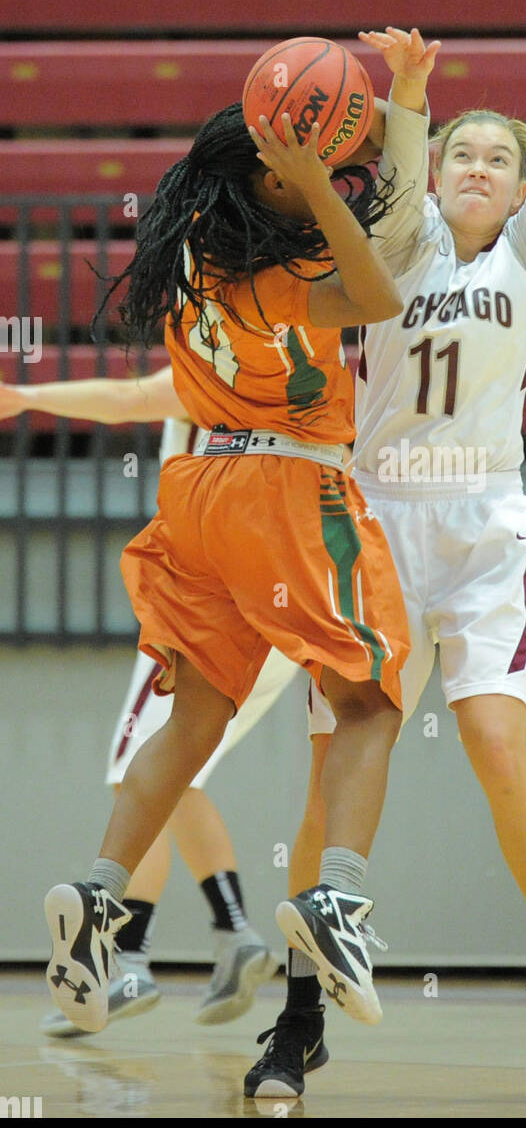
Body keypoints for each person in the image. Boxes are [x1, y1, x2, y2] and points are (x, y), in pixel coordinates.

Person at [245, 0, 526, 1101]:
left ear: (517, 191)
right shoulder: (395, 256)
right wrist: (410, 94)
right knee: (334, 763)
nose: (478, 169)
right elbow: (396, 185)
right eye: (462, 151)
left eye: (497, 160)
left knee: (498, 742)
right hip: (373, 521)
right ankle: (299, 1015)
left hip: (484, 526)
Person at [43, 96, 412, 1038]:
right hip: (286, 487)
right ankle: (339, 899)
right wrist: (324, 186)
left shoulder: (194, 253)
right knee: (368, 699)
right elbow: (377, 298)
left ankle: (100, 896)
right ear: (274, 176)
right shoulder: (285, 264)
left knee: (193, 715)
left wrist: (309, 166)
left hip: (196, 488)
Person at [0, 367, 303, 1032]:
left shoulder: (222, 354)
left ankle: (131, 959)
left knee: (138, 771)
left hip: (212, 598)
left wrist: (25, 397)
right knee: (177, 772)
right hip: (280, 596)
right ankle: (231, 934)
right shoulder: (298, 368)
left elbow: (127, 397)